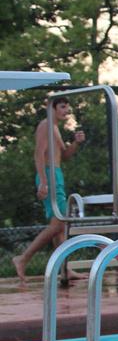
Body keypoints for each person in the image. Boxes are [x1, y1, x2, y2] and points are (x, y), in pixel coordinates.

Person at [11, 97, 85, 285]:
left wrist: (76, 143)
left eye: (67, 107)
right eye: (62, 107)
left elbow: (64, 155)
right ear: (51, 108)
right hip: (49, 175)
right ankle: (23, 258)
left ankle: (64, 269)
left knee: (59, 226)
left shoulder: (55, 128)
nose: (66, 111)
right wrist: (43, 182)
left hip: (55, 174)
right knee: (59, 223)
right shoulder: (45, 125)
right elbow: (38, 154)